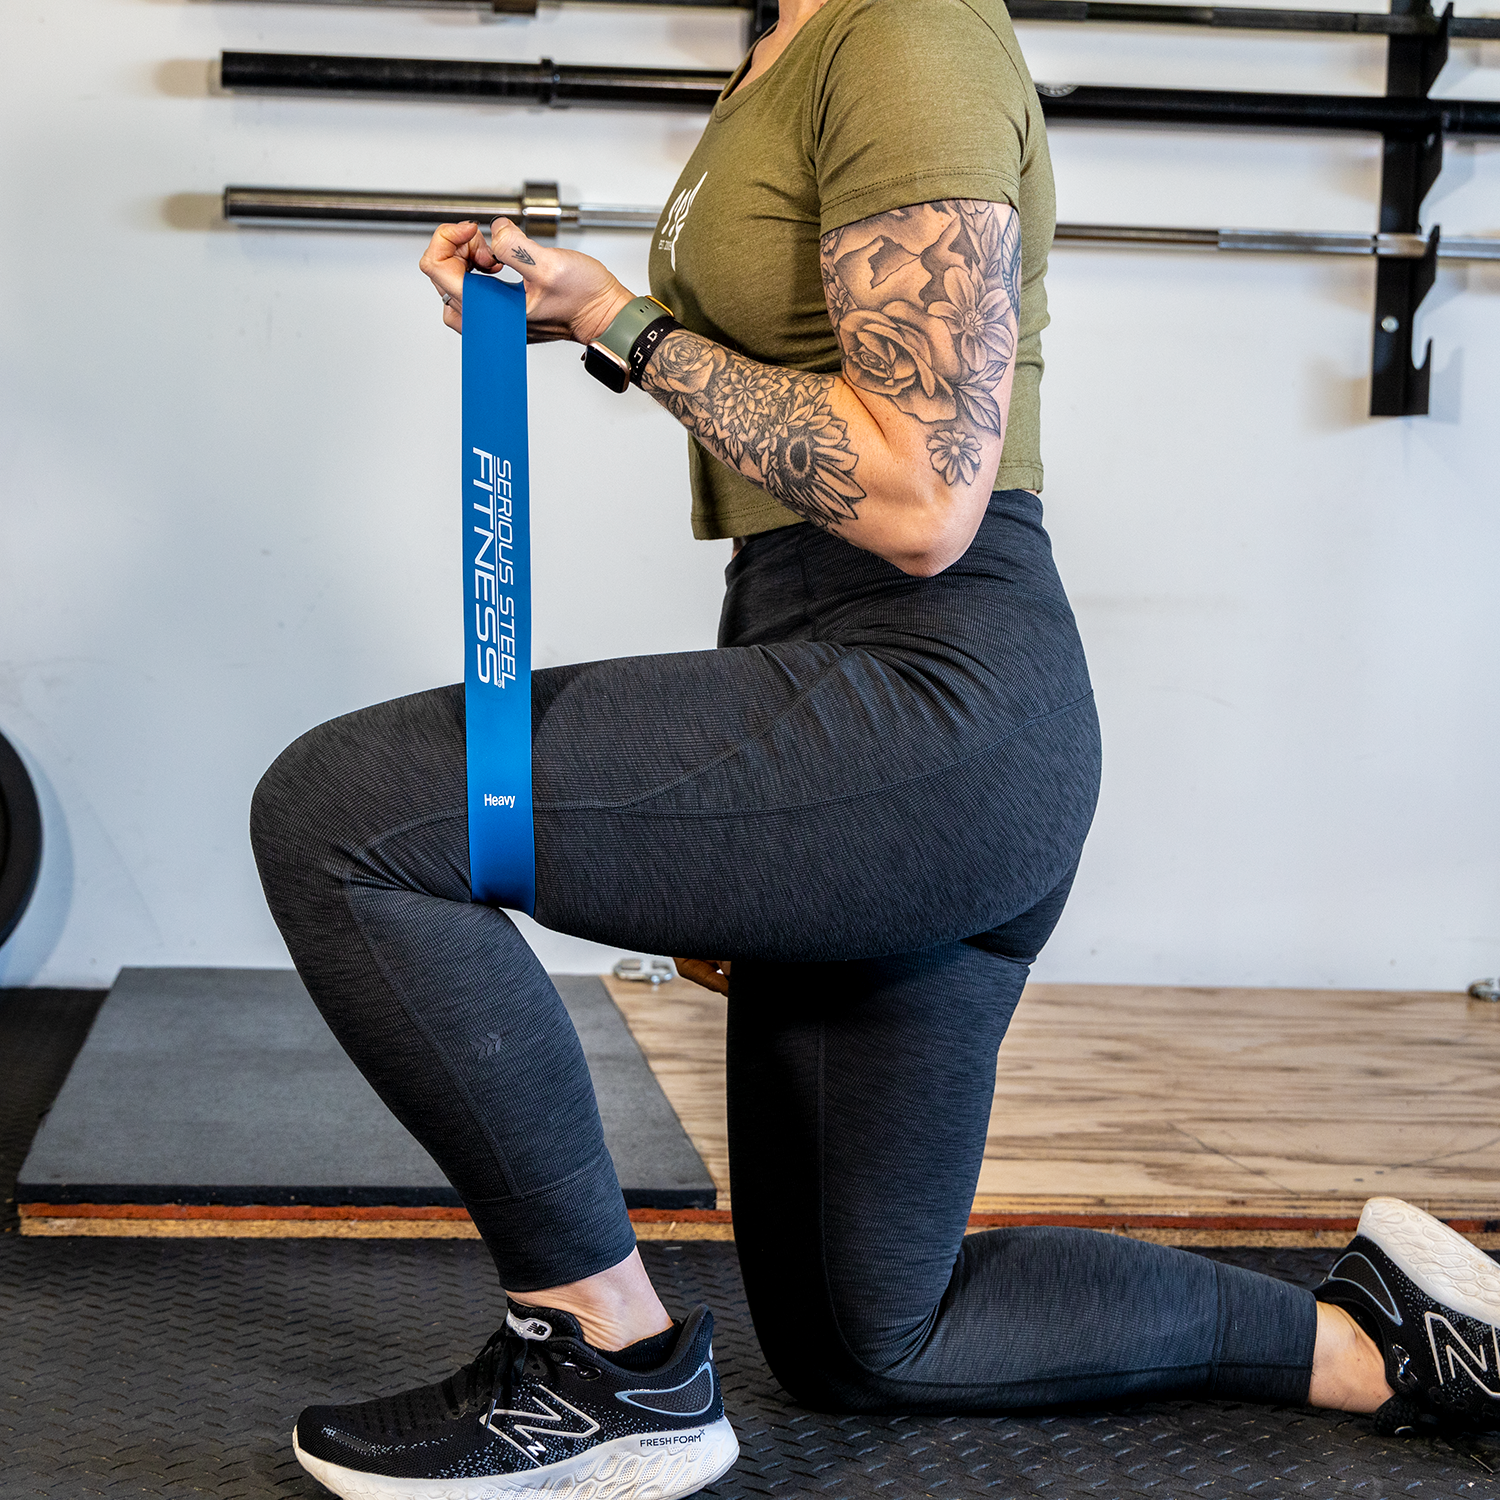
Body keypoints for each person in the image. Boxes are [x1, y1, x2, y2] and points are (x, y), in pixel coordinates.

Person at [250, 0, 1500, 1495]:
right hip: (846, 691)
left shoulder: (907, 28)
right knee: (870, 1338)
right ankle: (1391, 1343)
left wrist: (623, 324)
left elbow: (917, 497)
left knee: (344, 813)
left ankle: (606, 1362)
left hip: (936, 700)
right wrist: (579, 298)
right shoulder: (786, 41)